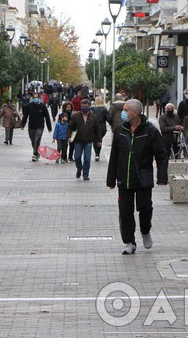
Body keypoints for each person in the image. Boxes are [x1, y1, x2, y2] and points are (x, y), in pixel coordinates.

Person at [106, 99, 168, 255]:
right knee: (125, 211)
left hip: (143, 178)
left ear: (135, 113)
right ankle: (129, 241)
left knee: (145, 207)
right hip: (124, 179)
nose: (123, 112)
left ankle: (145, 230)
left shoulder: (150, 131)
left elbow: (161, 154)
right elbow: (114, 156)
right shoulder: (120, 130)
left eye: (126, 110)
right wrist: (111, 179)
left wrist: (162, 176)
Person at [67, 99, 101, 180]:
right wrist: (68, 136)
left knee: (87, 158)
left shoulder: (94, 117)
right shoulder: (75, 116)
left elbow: (98, 129)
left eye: (86, 106)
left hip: (88, 141)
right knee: (77, 157)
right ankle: (79, 169)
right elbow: (70, 126)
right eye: (83, 106)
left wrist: (99, 140)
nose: (84, 108)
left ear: (89, 106)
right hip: (78, 140)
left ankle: (85, 174)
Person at [20, 93, 52, 162]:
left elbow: (47, 117)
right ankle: (37, 152)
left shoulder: (42, 106)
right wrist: (22, 125)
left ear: (39, 98)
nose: (35, 99)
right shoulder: (29, 106)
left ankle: (34, 154)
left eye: (36, 97)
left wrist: (49, 127)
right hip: (31, 126)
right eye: (34, 97)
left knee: (37, 140)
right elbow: (25, 116)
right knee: (33, 141)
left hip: (40, 126)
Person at [91, 96, 109, 162]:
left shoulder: (93, 109)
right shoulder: (105, 109)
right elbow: (108, 118)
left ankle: (97, 154)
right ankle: (98, 153)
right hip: (102, 126)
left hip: (94, 126)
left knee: (95, 140)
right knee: (99, 139)